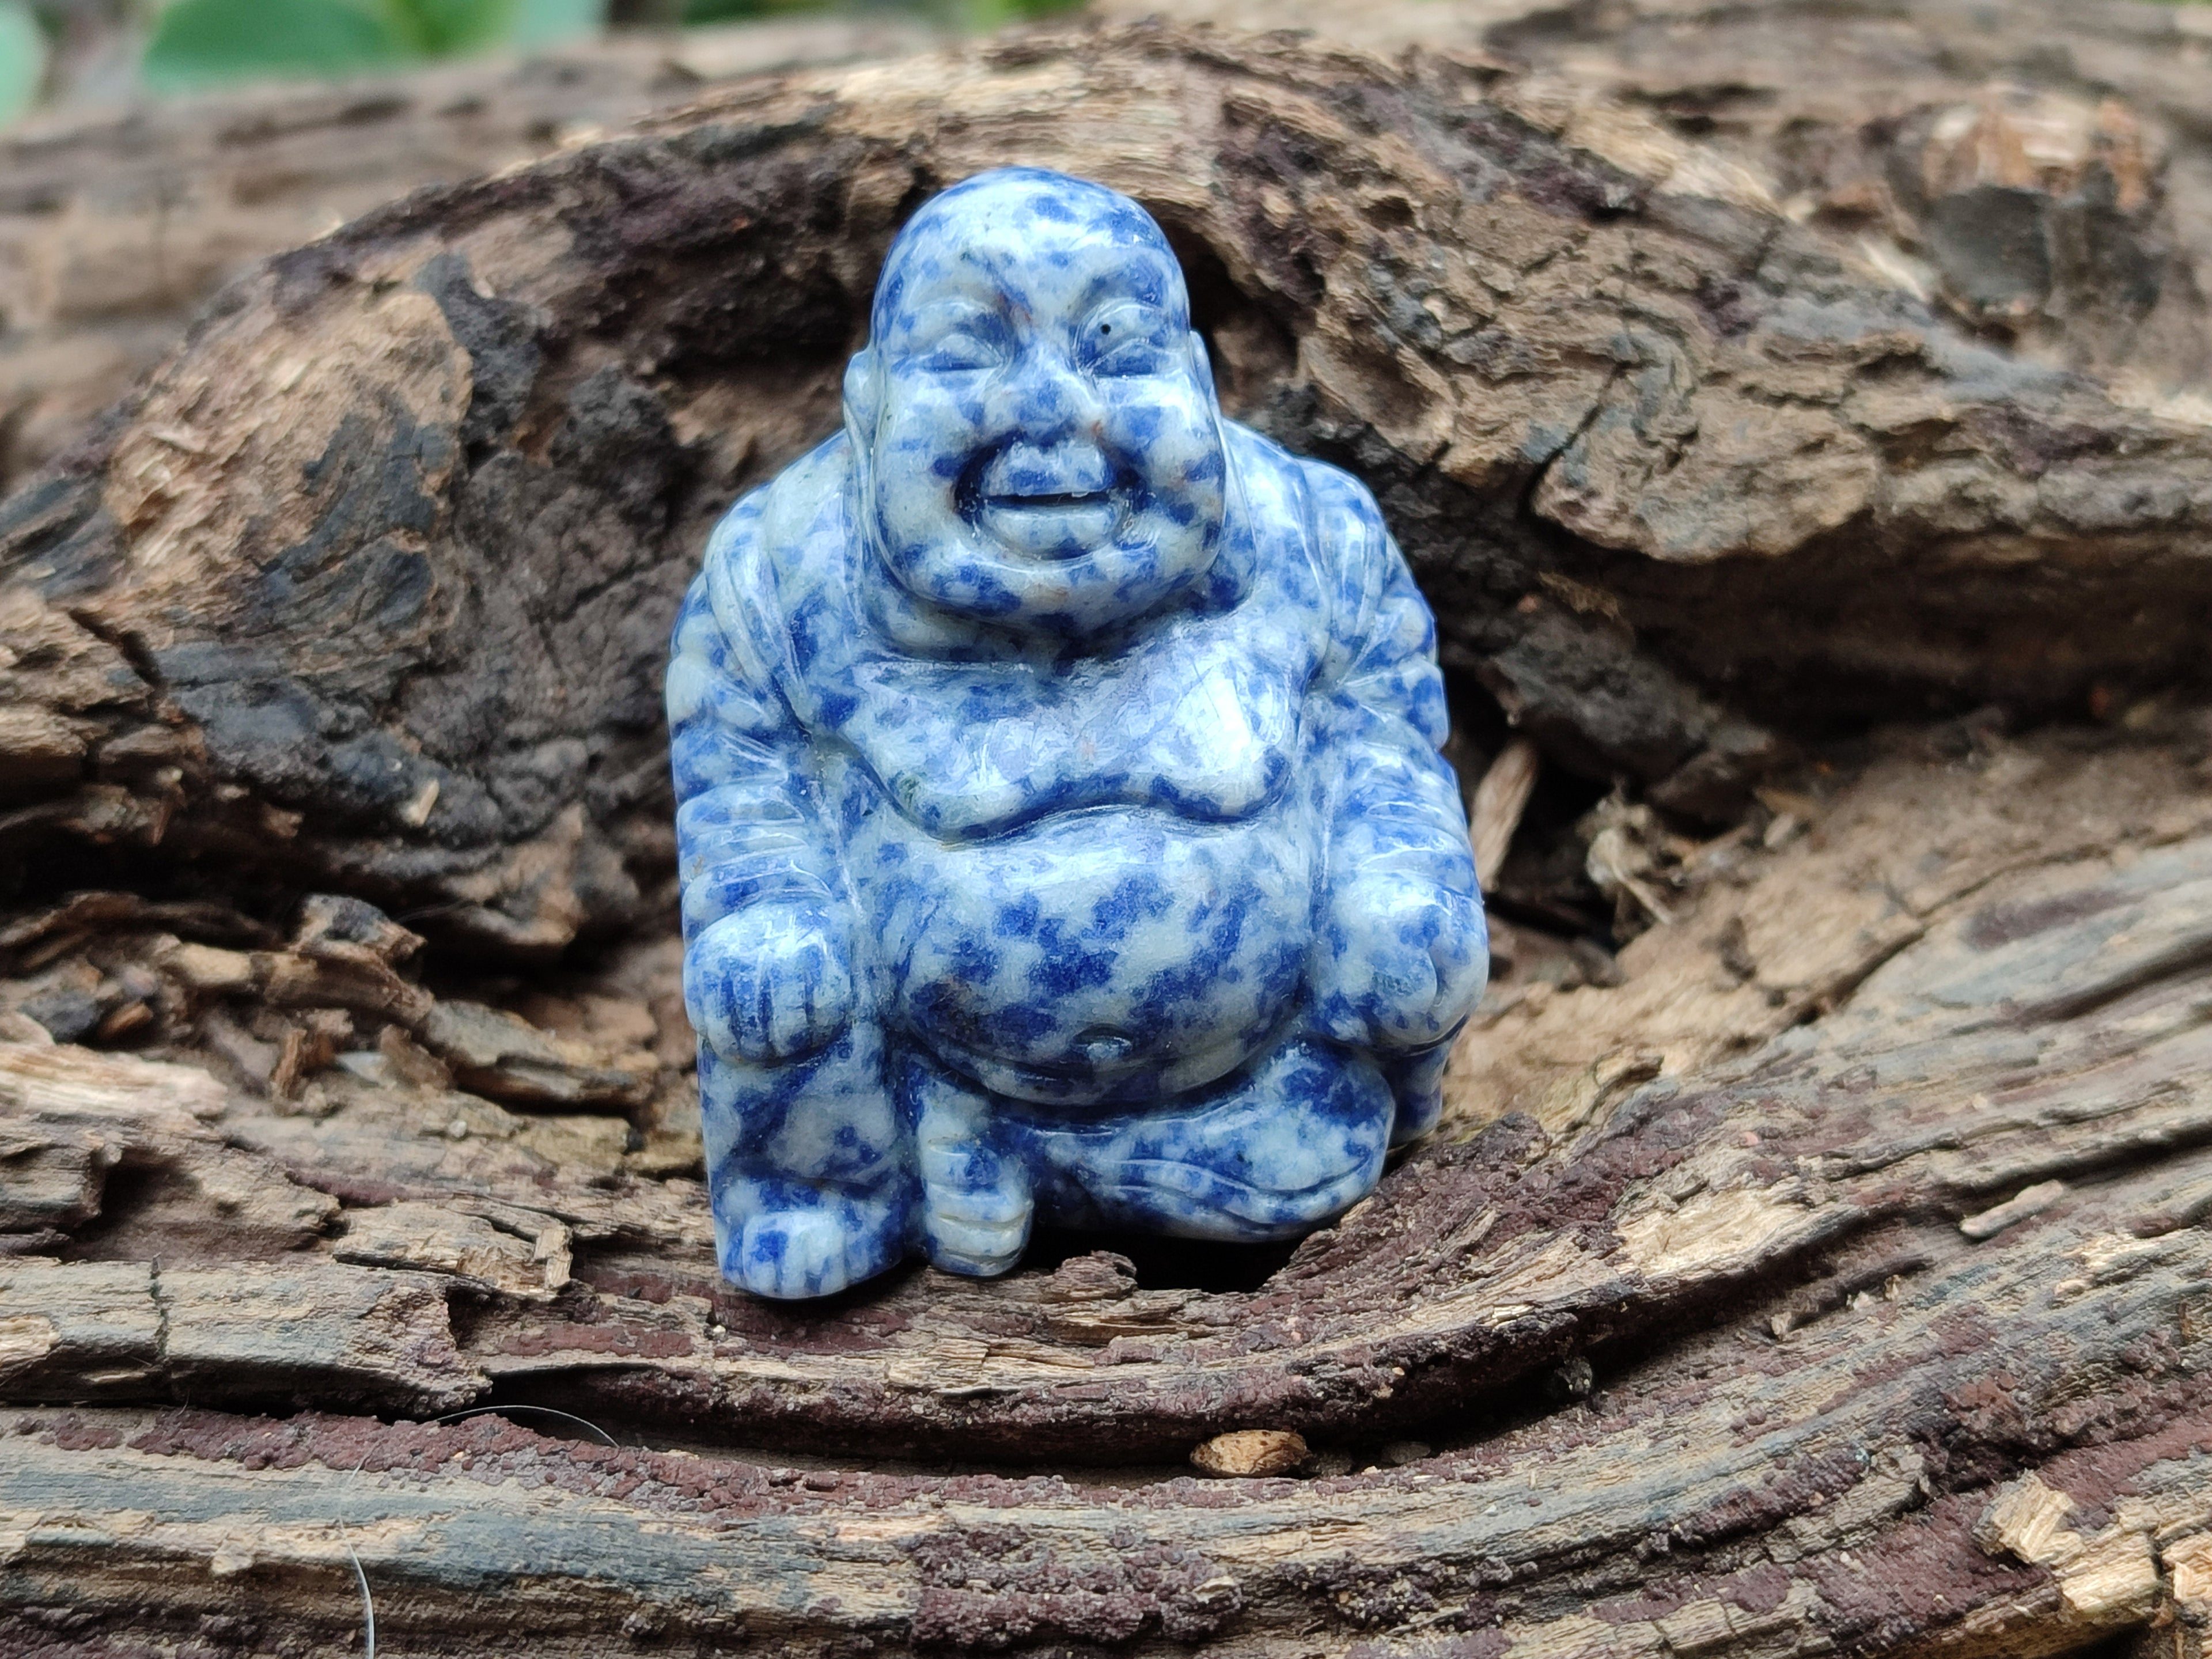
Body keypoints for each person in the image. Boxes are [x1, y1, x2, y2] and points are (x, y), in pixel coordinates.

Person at [667, 167, 1486, 1298]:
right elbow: (741, 787)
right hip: (916, 1037)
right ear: (868, 411)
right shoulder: (781, 572)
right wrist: (770, 914)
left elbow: (1386, 741)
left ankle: (1040, 1162)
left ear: (1199, 383)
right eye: (965, 355)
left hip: (1260, 1070)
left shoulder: (1312, 536)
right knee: (770, 980)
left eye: (1115, 347)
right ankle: (847, 1183)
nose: (1052, 408)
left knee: (1397, 977)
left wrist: (1403, 886)